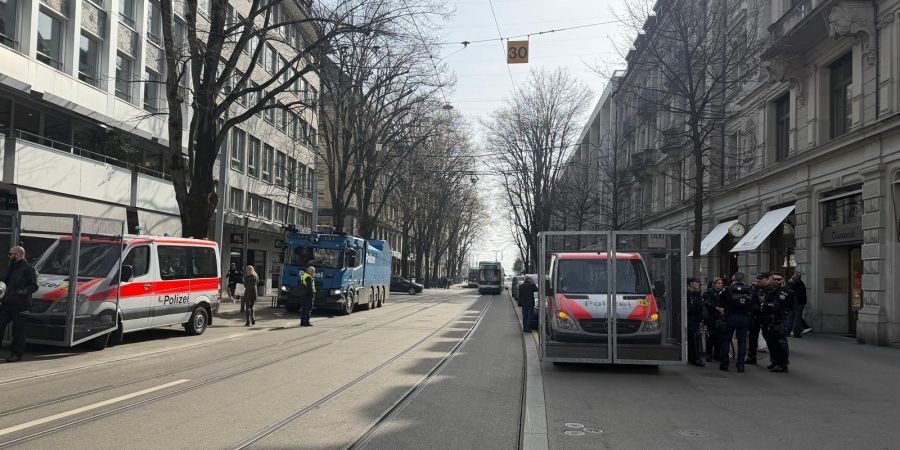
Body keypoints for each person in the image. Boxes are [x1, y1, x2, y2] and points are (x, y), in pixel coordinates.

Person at [0, 246, 38, 362]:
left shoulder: (28, 268)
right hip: (7, 303)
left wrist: (24, 291)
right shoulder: (11, 267)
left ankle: (16, 354)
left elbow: (34, 286)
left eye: (10, 254)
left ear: (17, 254)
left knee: (18, 331)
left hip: (20, 305)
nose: (9, 256)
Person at [719, 272, 753, 373]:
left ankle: (725, 364)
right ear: (743, 279)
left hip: (731, 317)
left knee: (726, 340)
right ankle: (740, 365)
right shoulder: (749, 289)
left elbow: (721, 300)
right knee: (742, 342)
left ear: (734, 278)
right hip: (744, 317)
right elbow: (753, 303)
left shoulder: (728, 289)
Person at [762, 273, 792, 373]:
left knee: (781, 343)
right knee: (772, 342)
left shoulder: (783, 292)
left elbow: (775, 306)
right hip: (771, 320)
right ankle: (775, 361)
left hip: (779, 320)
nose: (776, 281)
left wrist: (764, 304)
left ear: (782, 280)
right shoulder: (772, 290)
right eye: (774, 279)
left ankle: (782, 364)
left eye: (778, 280)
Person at [745, 272, 771, 365]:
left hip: (766, 316)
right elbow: (749, 299)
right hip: (754, 316)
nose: (758, 280)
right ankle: (751, 357)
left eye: (761, 279)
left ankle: (775, 360)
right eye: (757, 278)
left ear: (767, 279)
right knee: (752, 337)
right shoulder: (753, 288)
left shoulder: (770, 289)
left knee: (769, 337)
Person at [702, 278, 727, 363]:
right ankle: (709, 354)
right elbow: (707, 303)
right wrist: (717, 308)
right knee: (712, 336)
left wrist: (724, 309)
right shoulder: (709, 292)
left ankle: (717, 354)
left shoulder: (724, 293)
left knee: (720, 336)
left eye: (721, 283)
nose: (719, 285)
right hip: (712, 317)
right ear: (714, 284)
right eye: (718, 283)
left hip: (721, 318)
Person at [686, 277, 705, 367]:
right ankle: (695, 358)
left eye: (698, 282)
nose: (698, 284)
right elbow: (690, 308)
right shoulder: (687, 294)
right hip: (690, 319)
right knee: (693, 339)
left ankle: (694, 357)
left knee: (695, 338)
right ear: (690, 283)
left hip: (697, 319)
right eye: (696, 282)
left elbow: (700, 306)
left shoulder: (697, 294)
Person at [787, 271, 811, 337]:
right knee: (794, 317)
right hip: (798, 303)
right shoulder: (800, 283)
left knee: (794, 318)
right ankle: (794, 332)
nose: (792, 276)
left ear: (796, 277)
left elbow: (795, 293)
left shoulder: (795, 283)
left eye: (793, 275)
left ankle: (792, 332)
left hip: (797, 303)